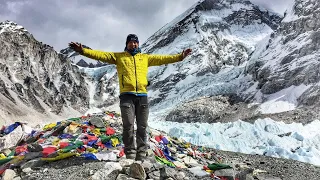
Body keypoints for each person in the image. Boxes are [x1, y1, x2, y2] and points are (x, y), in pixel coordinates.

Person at [69, 34, 192, 160]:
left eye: (136, 42)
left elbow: (162, 59)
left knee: (142, 126)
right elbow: (100, 55)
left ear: (138, 44)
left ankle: (141, 153)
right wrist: (82, 51)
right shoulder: (119, 57)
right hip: (127, 96)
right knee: (128, 125)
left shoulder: (145, 58)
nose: (133, 44)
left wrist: (180, 57)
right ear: (127, 44)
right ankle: (130, 153)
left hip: (142, 96)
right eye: (131, 42)